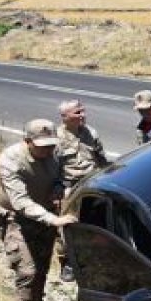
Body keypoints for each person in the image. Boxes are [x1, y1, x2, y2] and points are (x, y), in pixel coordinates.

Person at [0, 119, 77, 301]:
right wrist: (55, 220)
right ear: (27, 141)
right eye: (42, 146)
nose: (48, 150)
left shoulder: (56, 150)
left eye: (51, 144)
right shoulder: (11, 159)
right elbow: (20, 201)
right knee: (27, 271)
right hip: (18, 219)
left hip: (47, 218)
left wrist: (59, 187)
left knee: (40, 272)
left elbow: (63, 175)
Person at [55, 99, 109, 282]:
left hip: (93, 183)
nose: (82, 115)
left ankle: (100, 260)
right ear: (65, 117)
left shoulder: (90, 133)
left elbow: (101, 159)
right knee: (68, 227)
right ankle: (69, 263)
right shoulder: (56, 138)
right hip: (71, 187)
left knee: (100, 223)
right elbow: (52, 168)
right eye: (77, 113)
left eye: (83, 111)